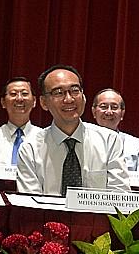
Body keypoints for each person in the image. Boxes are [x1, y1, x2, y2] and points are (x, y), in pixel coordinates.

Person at [15, 66, 130, 194]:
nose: (69, 99)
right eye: (58, 92)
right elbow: (31, 206)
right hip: (48, 214)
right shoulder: (30, 148)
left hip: (99, 214)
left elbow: (120, 196)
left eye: (75, 90)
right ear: (43, 102)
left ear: (84, 96)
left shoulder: (109, 141)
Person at [0, 76, 44, 172]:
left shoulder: (44, 138)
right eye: (13, 94)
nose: (19, 98)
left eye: (24, 94)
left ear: (34, 101)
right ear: (3, 102)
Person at [92, 89, 139, 173]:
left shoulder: (137, 146)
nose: (109, 112)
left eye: (114, 107)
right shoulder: (83, 141)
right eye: (103, 107)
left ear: (122, 114)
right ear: (94, 112)